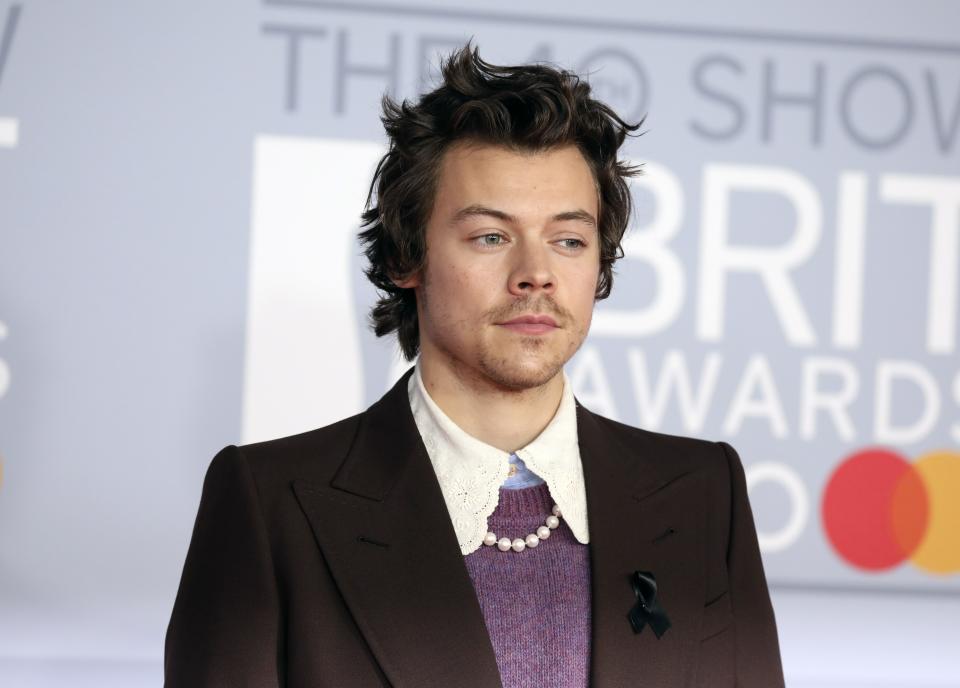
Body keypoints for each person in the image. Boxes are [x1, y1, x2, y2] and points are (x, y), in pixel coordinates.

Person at [165, 44, 785, 688]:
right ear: (408, 256)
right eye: (491, 236)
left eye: (569, 240)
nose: (536, 274)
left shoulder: (703, 492)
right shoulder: (272, 507)